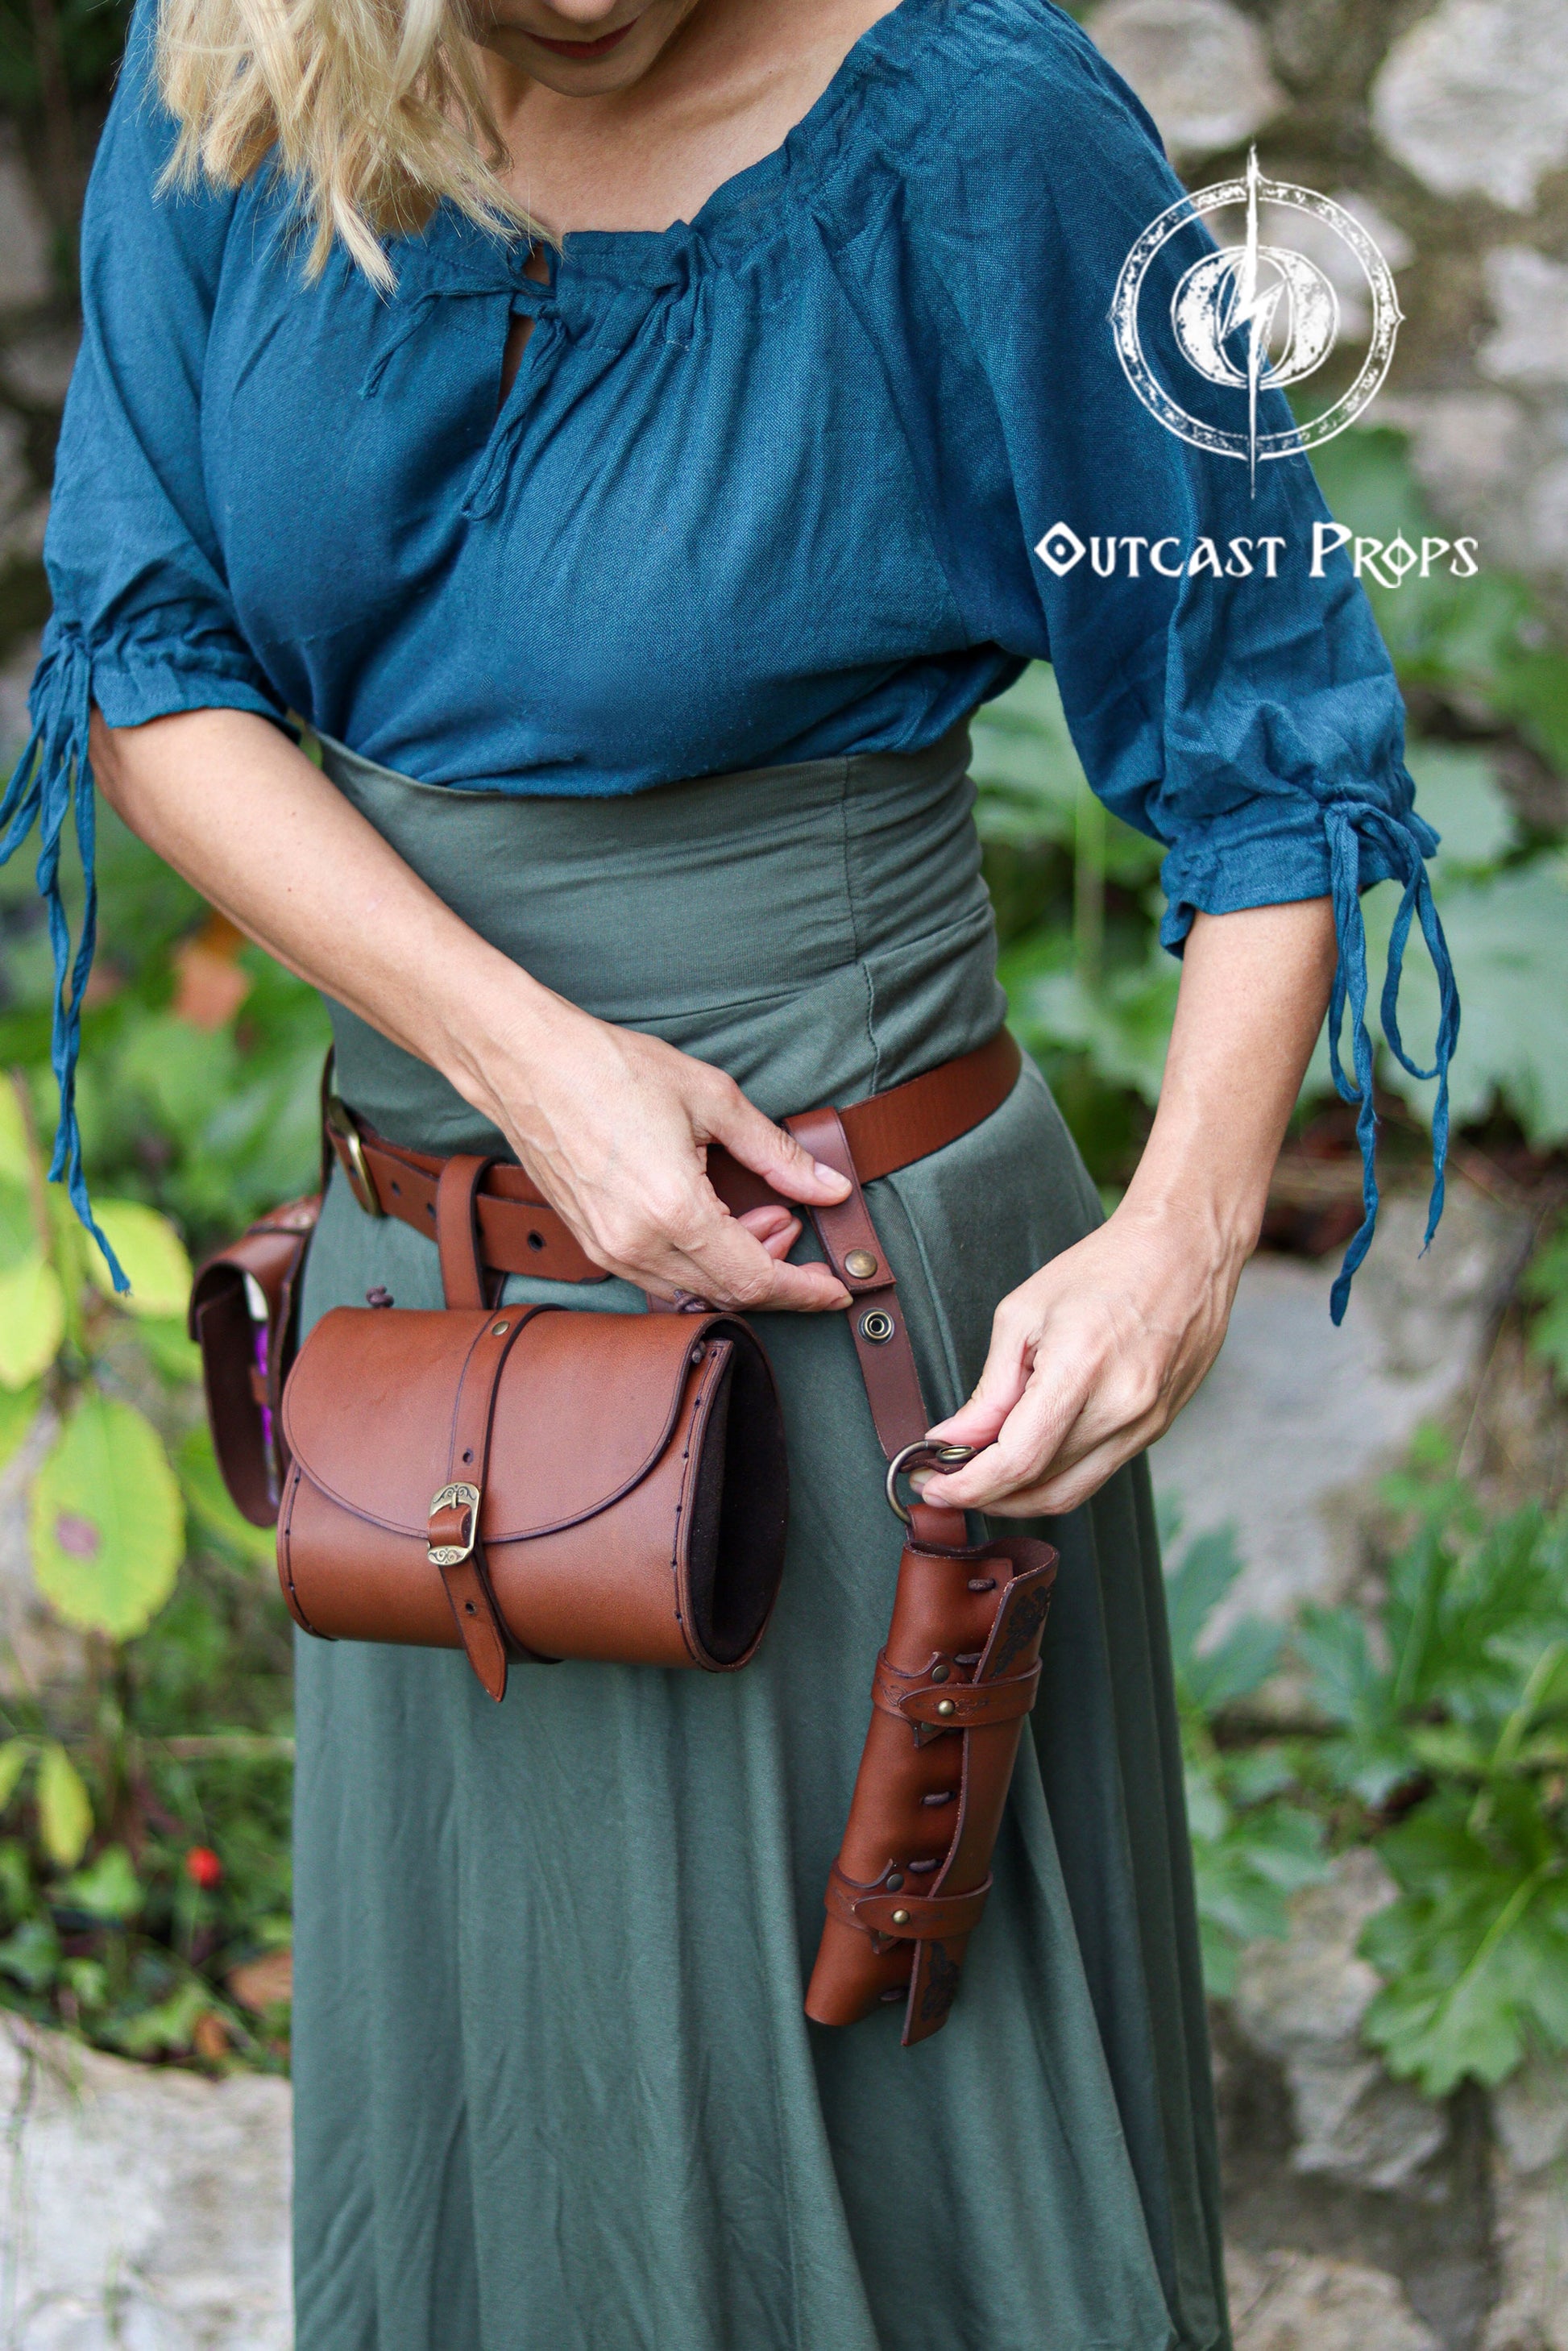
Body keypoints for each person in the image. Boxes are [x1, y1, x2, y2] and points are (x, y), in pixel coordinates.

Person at [2, 2, 1455, 2345]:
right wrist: (530, 1058)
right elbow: (148, 655)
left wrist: (1175, 1241)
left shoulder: (989, 140)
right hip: (420, 1343)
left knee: (892, 2192)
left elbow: (1267, 748)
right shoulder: (245, 57)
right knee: (502, 2162)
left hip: (841, 1337)